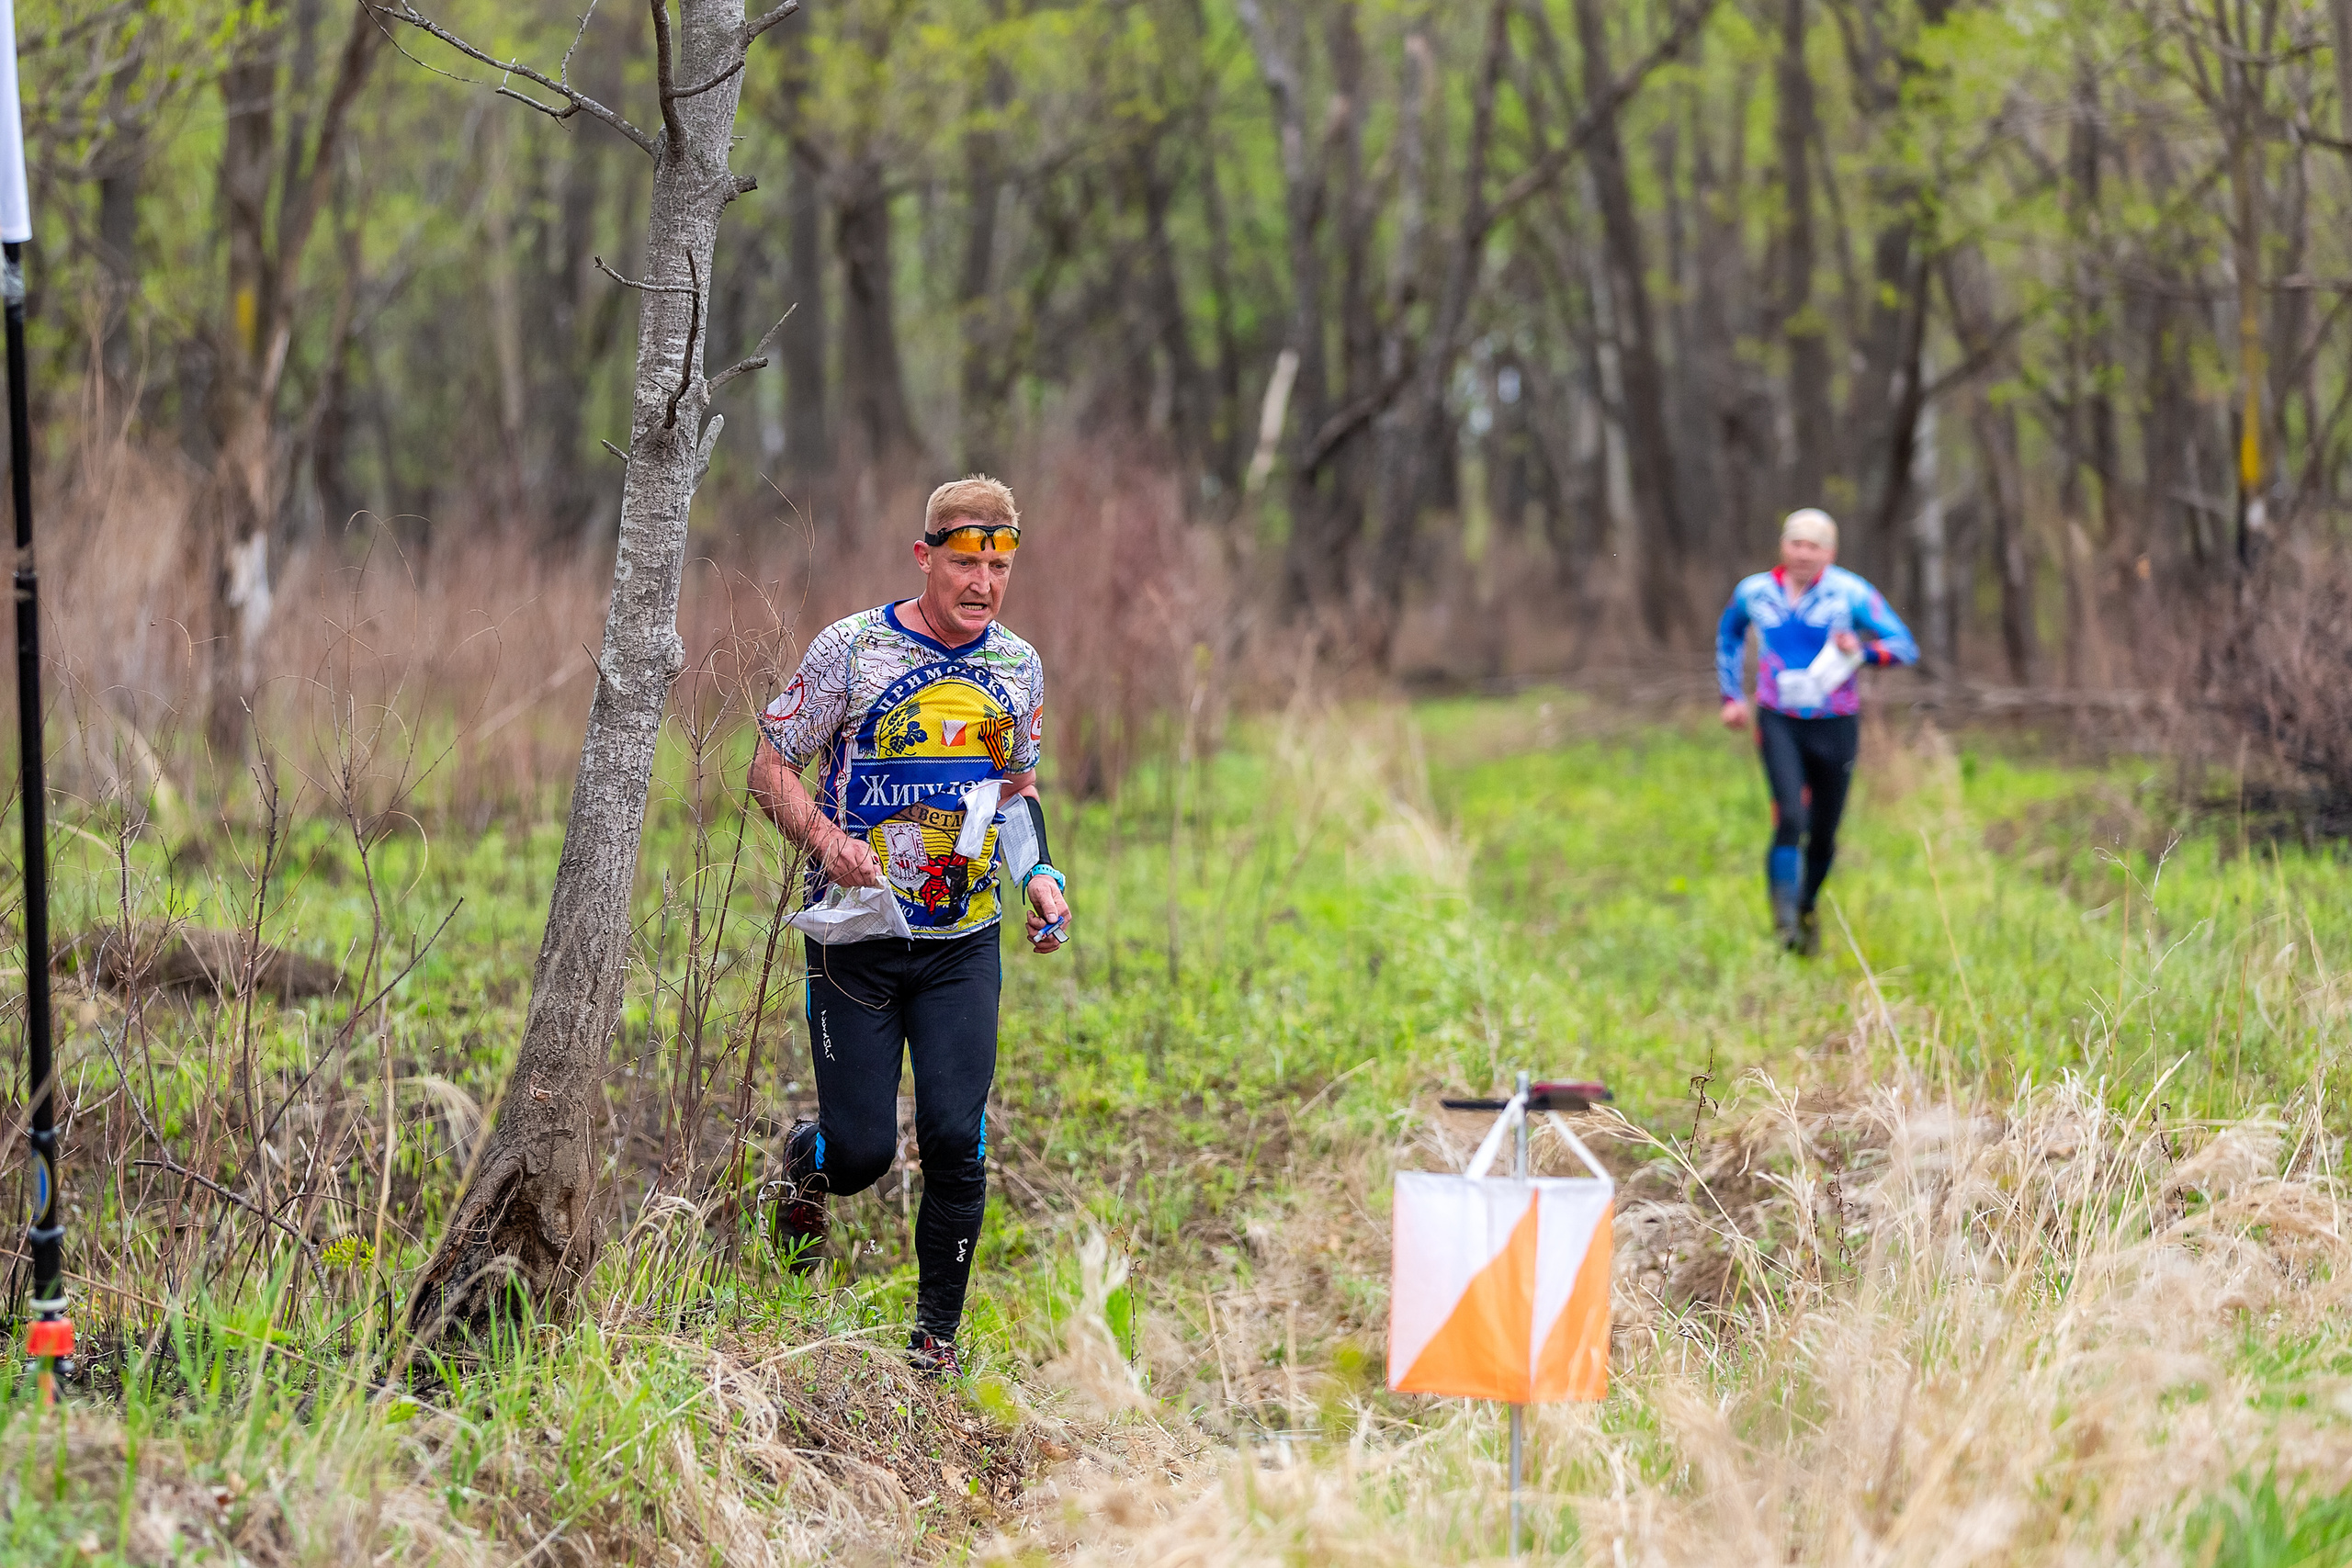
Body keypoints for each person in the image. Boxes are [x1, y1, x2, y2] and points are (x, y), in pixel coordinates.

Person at [748, 475, 1070, 1379]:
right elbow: (767, 768)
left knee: (955, 1142)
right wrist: (826, 839)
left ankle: (934, 1350)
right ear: (925, 557)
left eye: (999, 566)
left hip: (962, 941)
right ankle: (800, 1168)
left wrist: (1038, 875)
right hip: (856, 936)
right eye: (966, 563)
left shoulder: (1018, 668)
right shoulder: (850, 650)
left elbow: (1016, 793)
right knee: (860, 1152)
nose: (983, 584)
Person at [1716, 508, 1917, 955]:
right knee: (1790, 817)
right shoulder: (1754, 592)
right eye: (1796, 544)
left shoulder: (1850, 593)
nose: (1804, 554)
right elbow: (1728, 636)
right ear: (1783, 547)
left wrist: (1863, 651)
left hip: (1836, 724)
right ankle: (1784, 921)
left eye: (1814, 546)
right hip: (1777, 719)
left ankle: (1806, 907)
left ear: (1830, 552)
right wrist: (1732, 697)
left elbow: (1904, 645)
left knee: (1824, 832)